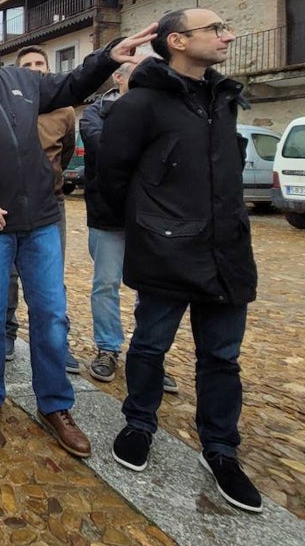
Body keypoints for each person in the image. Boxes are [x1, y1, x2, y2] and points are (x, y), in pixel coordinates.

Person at [0, 5, 153, 457]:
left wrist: (108, 57)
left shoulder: (21, 81)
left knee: (51, 315)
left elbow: (71, 85)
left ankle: (56, 405)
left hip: (41, 220)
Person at [100, 8, 262, 514]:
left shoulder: (225, 99)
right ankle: (139, 423)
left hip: (227, 251)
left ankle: (221, 448)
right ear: (177, 41)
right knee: (150, 345)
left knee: (222, 356)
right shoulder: (139, 105)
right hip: (166, 249)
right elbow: (112, 179)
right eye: (215, 29)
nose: (227, 35)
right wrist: (149, 230)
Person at [80, 57, 179, 394]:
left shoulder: (164, 112)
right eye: (134, 69)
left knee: (152, 290)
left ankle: (147, 357)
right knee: (106, 284)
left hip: (152, 217)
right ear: (119, 78)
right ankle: (107, 348)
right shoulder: (95, 113)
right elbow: (104, 148)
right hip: (108, 215)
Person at [10, 45, 80, 374]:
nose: (36, 69)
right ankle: (8, 335)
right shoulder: (7, 104)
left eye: (41, 63)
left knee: (52, 279)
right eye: (29, 65)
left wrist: (50, 179)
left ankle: (57, 344)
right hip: (10, 202)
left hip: (51, 204)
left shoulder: (65, 111)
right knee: (9, 277)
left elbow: (64, 155)